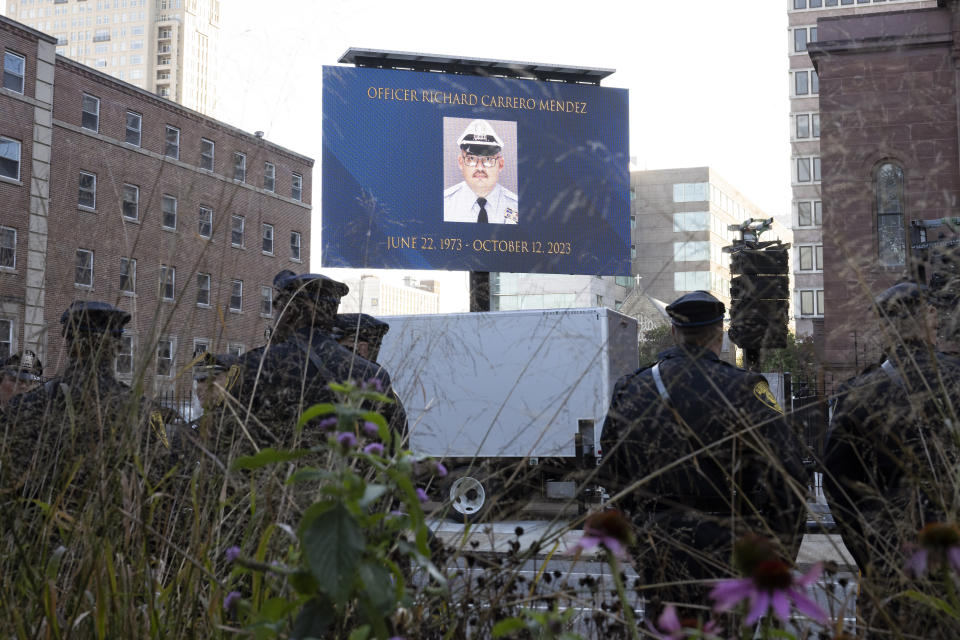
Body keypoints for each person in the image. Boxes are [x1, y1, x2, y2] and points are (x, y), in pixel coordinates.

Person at [599, 291, 806, 617]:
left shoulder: (631, 388)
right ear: (720, 334)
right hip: (729, 546)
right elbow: (789, 477)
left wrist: (638, 534)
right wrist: (778, 556)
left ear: (673, 332)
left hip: (659, 545)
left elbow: (613, 472)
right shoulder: (745, 389)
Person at [824, 282, 960, 635]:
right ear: (930, 317)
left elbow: (838, 490)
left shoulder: (858, 392)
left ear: (884, 328)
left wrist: (872, 556)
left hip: (892, 557)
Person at [229, 271, 405, 448]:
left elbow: (227, 437)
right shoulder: (374, 374)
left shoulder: (255, 364)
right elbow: (393, 448)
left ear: (289, 312)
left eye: (277, 307)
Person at [443, 119, 518, 224]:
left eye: (488, 159)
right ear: (461, 162)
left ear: (500, 164)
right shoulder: (445, 206)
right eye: (471, 159)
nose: (479, 168)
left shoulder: (517, 207)